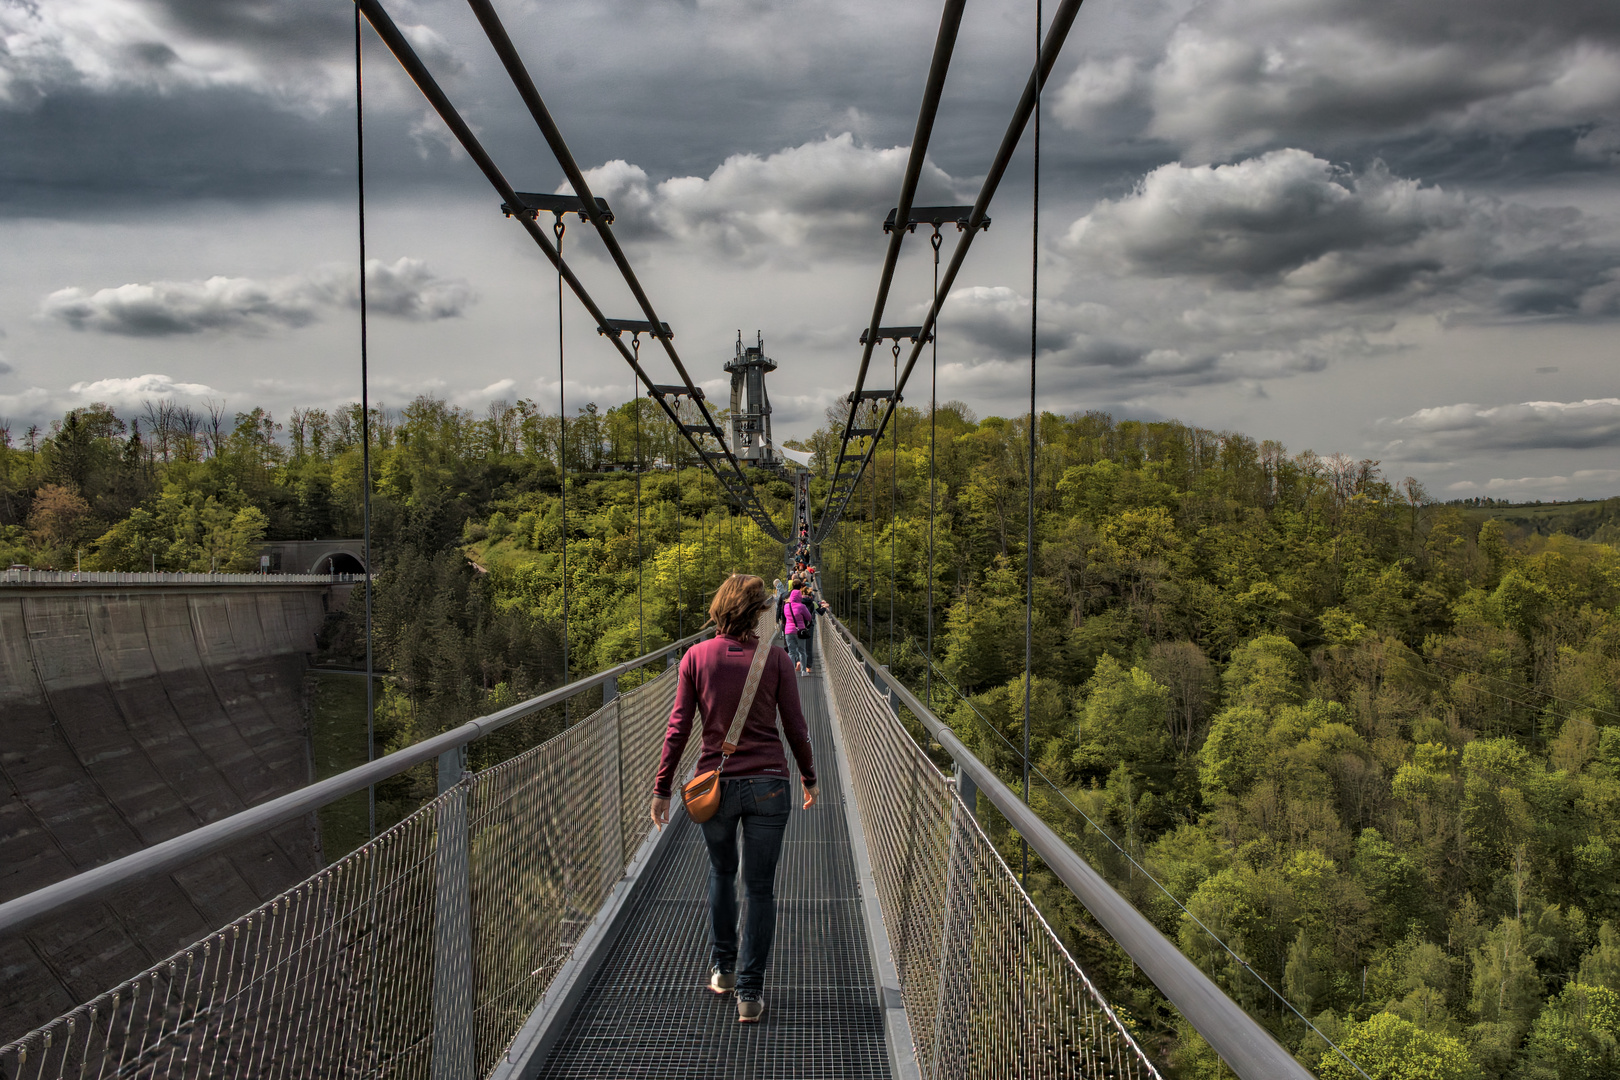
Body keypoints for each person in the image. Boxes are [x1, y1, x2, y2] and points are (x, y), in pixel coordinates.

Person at [650, 574, 818, 1023]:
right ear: (760, 612)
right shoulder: (778, 659)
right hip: (769, 785)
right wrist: (810, 776)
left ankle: (723, 971)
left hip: (715, 785)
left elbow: (677, 728)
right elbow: (796, 727)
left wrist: (663, 787)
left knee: (722, 872)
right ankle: (750, 993)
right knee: (759, 888)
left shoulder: (696, 657)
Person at [782, 585, 812, 673]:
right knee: (802, 651)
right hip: (800, 631)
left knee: (791, 652)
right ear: (800, 596)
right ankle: (803, 671)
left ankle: (791, 672)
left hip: (788, 631)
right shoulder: (802, 606)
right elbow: (809, 617)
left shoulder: (786, 606)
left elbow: (785, 617)